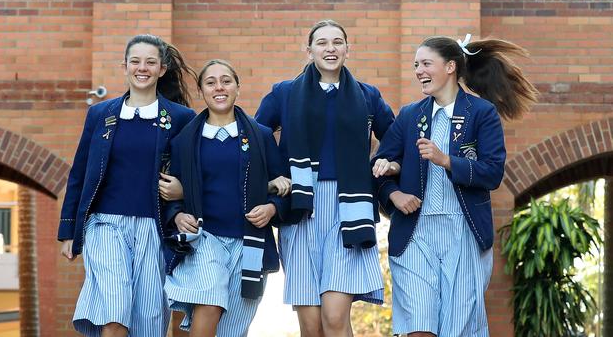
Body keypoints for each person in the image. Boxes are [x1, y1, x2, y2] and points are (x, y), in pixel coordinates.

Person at [372, 34, 538, 337]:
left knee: (458, 330)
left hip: (463, 232)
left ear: (450, 66)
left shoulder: (481, 113)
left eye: (426, 63)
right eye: (415, 65)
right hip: (414, 235)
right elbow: (380, 169)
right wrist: (394, 193)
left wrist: (447, 160)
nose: (418, 70)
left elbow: (492, 173)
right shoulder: (411, 115)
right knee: (418, 328)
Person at [255, 19, 395, 337]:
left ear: (348, 48)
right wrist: (275, 178)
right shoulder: (284, 93)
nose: (330, 48)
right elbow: (255, 139)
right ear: (309, 51)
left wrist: (386, 162)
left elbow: (395, 138)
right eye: (321, 42)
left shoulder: (367, 96)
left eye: (337, 42)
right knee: (312, 325)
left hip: (350, 206)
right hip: (300, 205)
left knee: (334, 317)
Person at [57, 34, 197, 337]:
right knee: (114, 314)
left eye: (150, 62)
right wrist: (69, 230)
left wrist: (184, 192)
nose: (142, 68)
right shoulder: (100, 114)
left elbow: (194, 172)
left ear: (162, 69)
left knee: (148, 322)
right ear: (125, 66)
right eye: (135, 61)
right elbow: (80, 172)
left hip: (154, 228)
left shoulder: (181, 118)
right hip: (105, 225)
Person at [162, 59, 289, 337]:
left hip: (250, 243)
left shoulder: (261, 136)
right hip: (205, 238)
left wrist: (271, 208)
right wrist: (178, 214)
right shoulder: (185, 140)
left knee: (233, 330)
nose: (219, 87)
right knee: (208, 306)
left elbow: (284, 191)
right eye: (211, 82)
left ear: (238, 88)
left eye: (226, 81)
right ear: (202, 91)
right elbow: (172, 194)